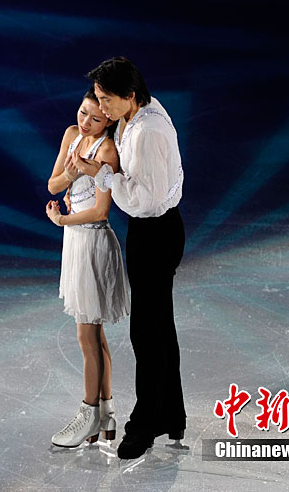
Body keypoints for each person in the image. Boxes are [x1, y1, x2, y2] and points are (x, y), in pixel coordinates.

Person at [70, 57, 186, 459]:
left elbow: (145, 200)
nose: (101, 108)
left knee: (147, 333)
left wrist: (100, 175)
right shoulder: (136, 115)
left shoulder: (147, 132)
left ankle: (145, 425)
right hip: (153, 230)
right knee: (159, 328)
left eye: (106, 99)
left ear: (130, 95)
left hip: (155, 232)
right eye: (98, 98)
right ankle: (171, 415)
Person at [45, 86, 130, 448]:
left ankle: (88, 412)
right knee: (95, 335)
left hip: (94, 243)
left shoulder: (107, 150)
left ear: (108, 120)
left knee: (87, 336)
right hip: (76, 243)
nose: (86, 122)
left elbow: (100, 210)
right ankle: (106, 413)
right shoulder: (71, 135)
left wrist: (62, 220)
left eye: (96, 118)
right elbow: (53, 184)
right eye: (83, 113)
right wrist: (71, 173)